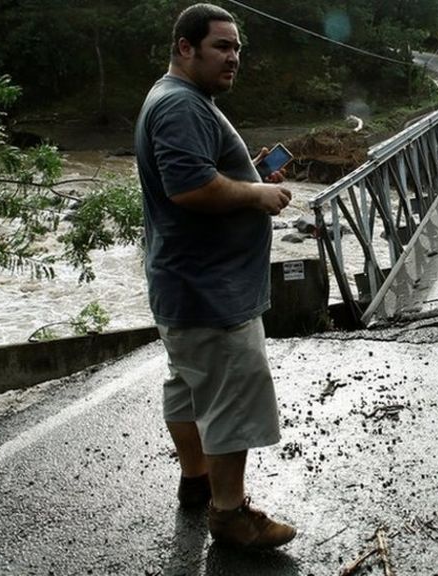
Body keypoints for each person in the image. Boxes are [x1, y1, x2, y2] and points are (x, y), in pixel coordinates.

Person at [134, 3, 296, 549]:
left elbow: (196, 173)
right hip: (210, 289)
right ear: (185, 47)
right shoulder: (180, 105)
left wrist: (246, 170)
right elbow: (189, 188)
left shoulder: (179, 99)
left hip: (185, 284)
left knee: (188, 386)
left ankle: (196, 482)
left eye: (237, 49)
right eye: (221, 47)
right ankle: (229, 515)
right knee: (232, 395)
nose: (234, 58)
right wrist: (257, 192)